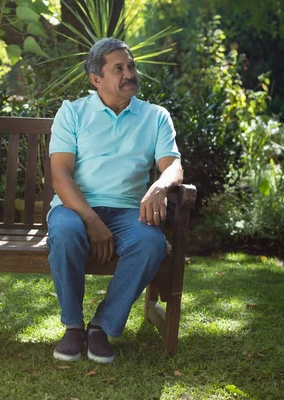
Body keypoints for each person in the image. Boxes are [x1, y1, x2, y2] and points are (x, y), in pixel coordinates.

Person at [47, 38, 183, 364]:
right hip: (75, 207)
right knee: (65, 233)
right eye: (118, 69)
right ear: (96, 80)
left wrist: (161, 186)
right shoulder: (72, 113)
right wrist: (92, 221)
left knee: (151, 243)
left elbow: (173, 166)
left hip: (127, 211)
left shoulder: (155, 116)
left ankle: (101, 326)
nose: (129, 74)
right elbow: (61, 176)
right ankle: (73, 326)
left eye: (131, 66)